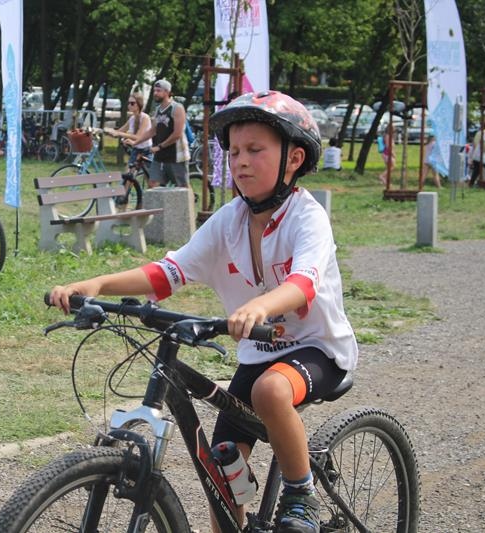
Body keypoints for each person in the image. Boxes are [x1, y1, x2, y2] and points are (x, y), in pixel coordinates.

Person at [49, 91, 358, 533]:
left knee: (270, 392)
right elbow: (168, 273)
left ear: (294, 159)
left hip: (317, 349)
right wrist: (97, 284)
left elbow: (302, 284)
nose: (241, 161)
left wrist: (259, 306)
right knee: (222, 473)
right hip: (258, 355)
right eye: (234, 152)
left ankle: (300, 493)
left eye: (255, 150)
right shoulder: (229, 220)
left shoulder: (306, 217)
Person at [128, 79, 189, 188]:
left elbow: (177, 134)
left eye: (158, 91)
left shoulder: (177, 108)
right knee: (153, 185)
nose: (155, 93)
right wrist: (135, 142)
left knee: (182, 188)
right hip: (159, 156)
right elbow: (152, 131)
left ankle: (190, 199)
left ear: (167, 92)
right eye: (154, 90)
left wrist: (159, 147)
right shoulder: (158, 110)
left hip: (175, 156)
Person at [104, 91, 153, 169]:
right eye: (128, 103)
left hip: (146, 151)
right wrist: (107, 131)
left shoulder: (145, 118)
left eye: (132, 103)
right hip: (136, 150)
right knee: (128, 174)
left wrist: (119, 134)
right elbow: (119, 131)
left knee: (149, 176)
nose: (129, 105)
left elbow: (138, 137)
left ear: (139, 104)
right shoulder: (132, 118)